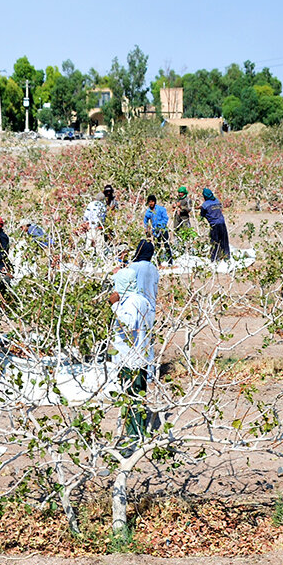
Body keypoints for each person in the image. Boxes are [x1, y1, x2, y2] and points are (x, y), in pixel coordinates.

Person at [109, 271, 154, 455]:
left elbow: (129, 324)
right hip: (140, 355)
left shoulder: (131, 302)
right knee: (137, 397)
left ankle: (133, 440)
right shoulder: (142, 299)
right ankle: (140, 433)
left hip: (130, 358)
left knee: (130, 399)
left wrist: (115, 305)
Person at [200, 187, 231, 259]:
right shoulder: (217, 201)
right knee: (224, 242)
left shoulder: (205, 205)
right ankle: (227, 257)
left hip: (214, 225)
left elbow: (202, 215)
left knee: (214, 242)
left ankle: (214, 258)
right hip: (222, 223)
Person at [143, 195, 172, 263]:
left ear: (155, 202)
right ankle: (158, 262)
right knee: (157, 246)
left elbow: (165, 219)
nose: (151, 203)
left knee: (166, 245)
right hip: (155, 231)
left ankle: (170, 261)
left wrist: (160, 226)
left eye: (152, 201)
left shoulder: (161, 209)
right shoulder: (148, 211)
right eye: (149, 202)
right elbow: (145, 221)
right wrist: (146, 228)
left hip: (163, 229)